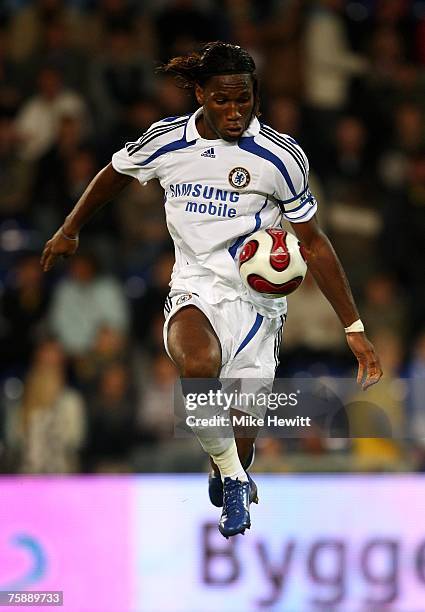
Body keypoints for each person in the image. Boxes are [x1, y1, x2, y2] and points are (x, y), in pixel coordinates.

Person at [40, 42, 382, 538]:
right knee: (197, 365)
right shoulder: (166, 143)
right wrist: (70, 227)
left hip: (258, 304)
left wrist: (353, 328)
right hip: (194, 288)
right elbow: (114, 174)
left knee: (240, 438)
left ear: (255, 96)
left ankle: (232, 467)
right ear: (200, 94)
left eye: (243, 99)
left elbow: (314, 243)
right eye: (222, 100)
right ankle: (235, 479)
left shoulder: (280, 158)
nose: (234, 111)